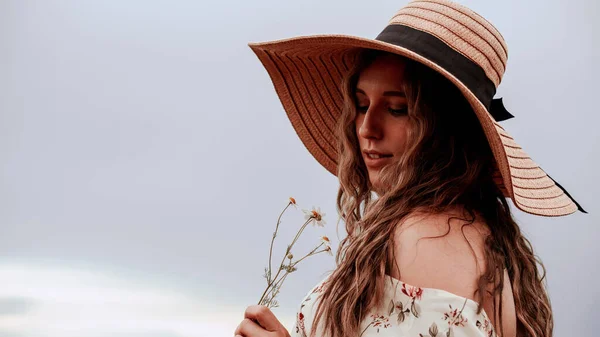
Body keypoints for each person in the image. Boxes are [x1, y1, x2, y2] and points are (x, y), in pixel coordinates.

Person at [235, 1, 586, 336]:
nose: (365, 128)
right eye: (361, 104)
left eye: (397, 109)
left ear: (447, 128)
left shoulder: (427, 238)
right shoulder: (480, 238)